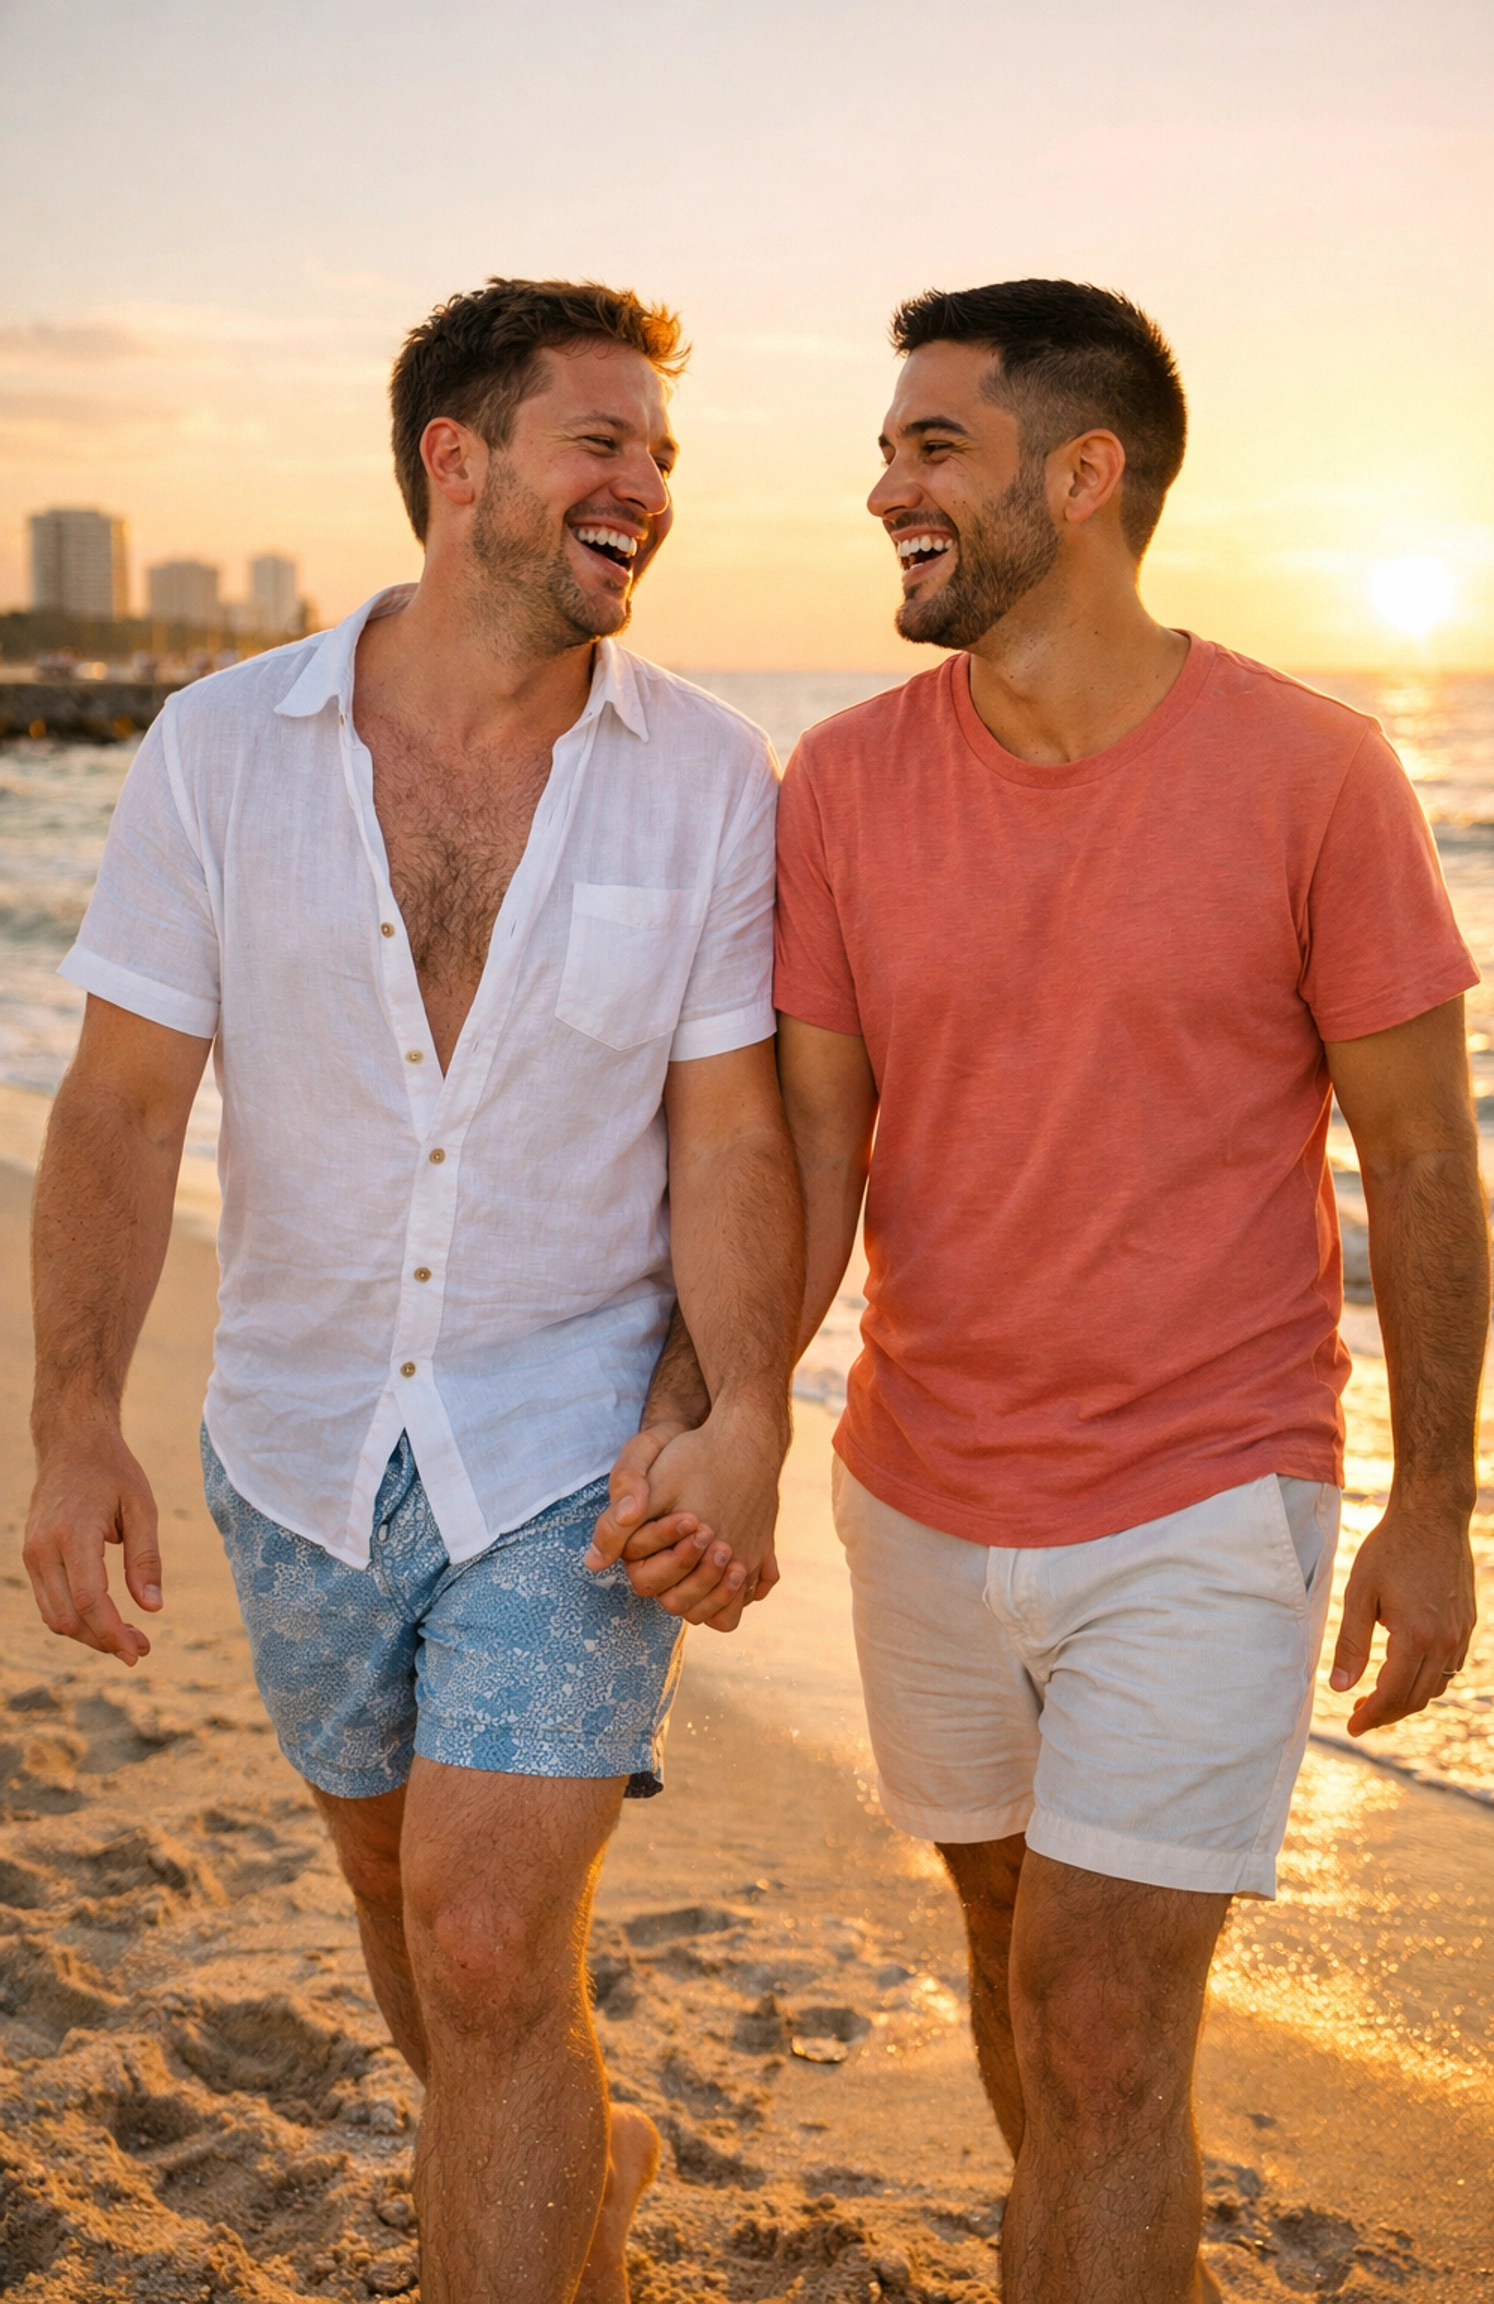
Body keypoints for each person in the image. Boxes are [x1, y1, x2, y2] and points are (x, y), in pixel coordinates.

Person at [625, 278, 1488, 2304]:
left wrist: (1433, 1508)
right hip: (920, 1491)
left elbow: (1426, 1162)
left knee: (1101, 2020)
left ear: (1082, 477)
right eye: (887, 446)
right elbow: (815, 1153)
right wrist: (733, 1413)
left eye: (933, 447)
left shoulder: (1318, 772)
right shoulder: (840, 783)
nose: (882, 490)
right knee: (1026, 1976)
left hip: (1207, 1491)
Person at [24, 277, 803, 2304]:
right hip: (294, 1443)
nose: (645, 485)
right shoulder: (220, 750)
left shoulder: (708, 775)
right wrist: (74, 1418)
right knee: (418, 1920)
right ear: (457, 463)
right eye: (602, 441)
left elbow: (731, 1137)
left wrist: (740, 1414)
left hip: (572, 1440)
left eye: (663, 454)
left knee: (476, 1929)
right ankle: (575, 2148)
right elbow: (118, 1110)